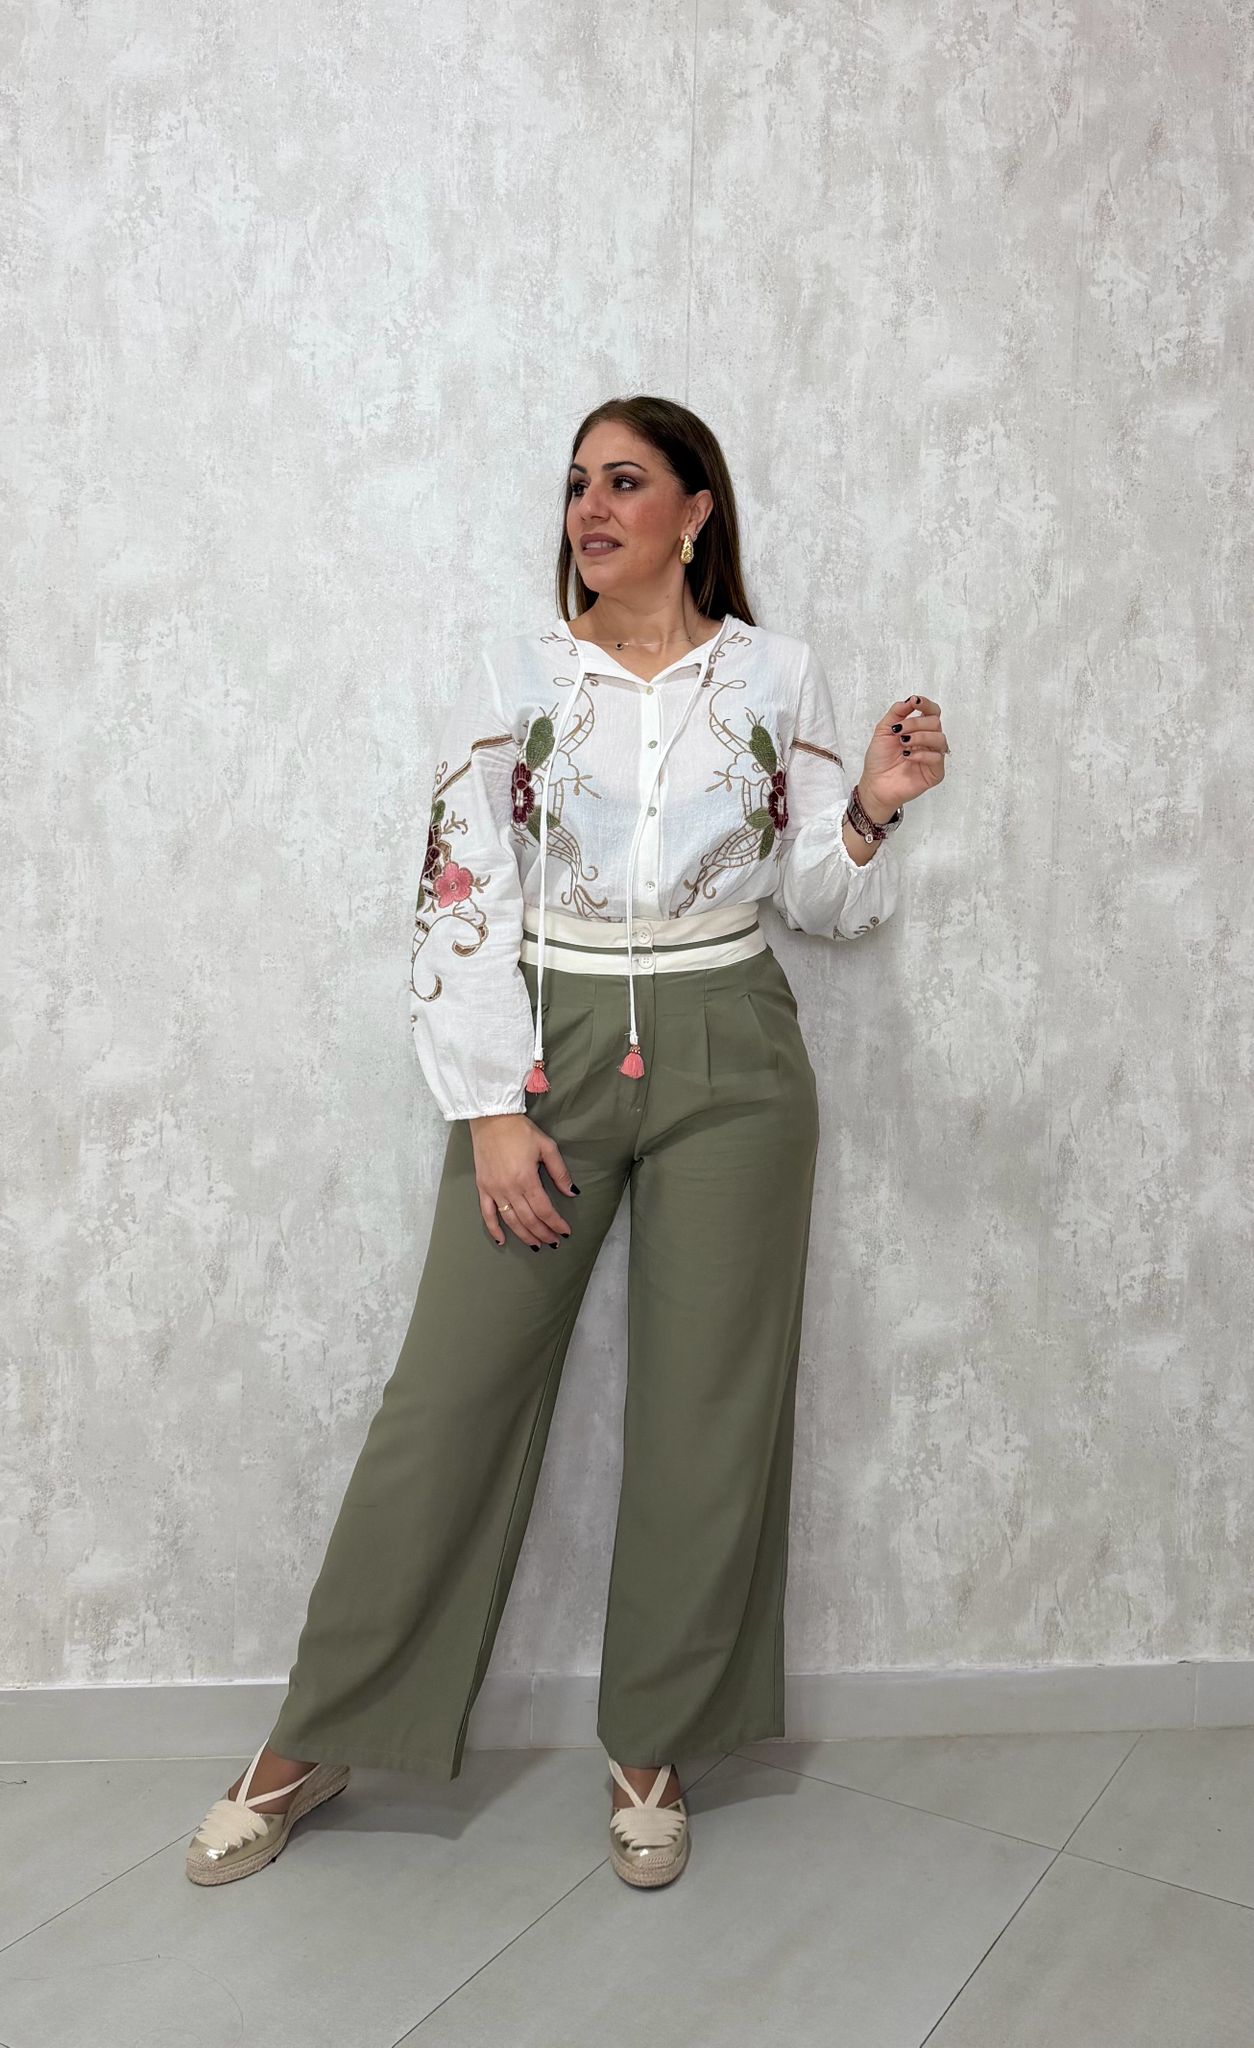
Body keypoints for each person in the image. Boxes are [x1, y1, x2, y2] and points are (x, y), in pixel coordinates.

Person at [185, 394, 948, 1892]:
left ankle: (652, 1745)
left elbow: (816, 898)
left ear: (695, 512)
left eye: (625, 482)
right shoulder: (517, 676)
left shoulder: (773, 674)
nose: (590, 510)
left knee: (706, 1407)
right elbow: (461, 886)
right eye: (577, 486)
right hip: (549, 1045)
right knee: (449, 1397)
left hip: (733, 1042)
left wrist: (867, 810)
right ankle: (318, 1733)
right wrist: (489, 1107)